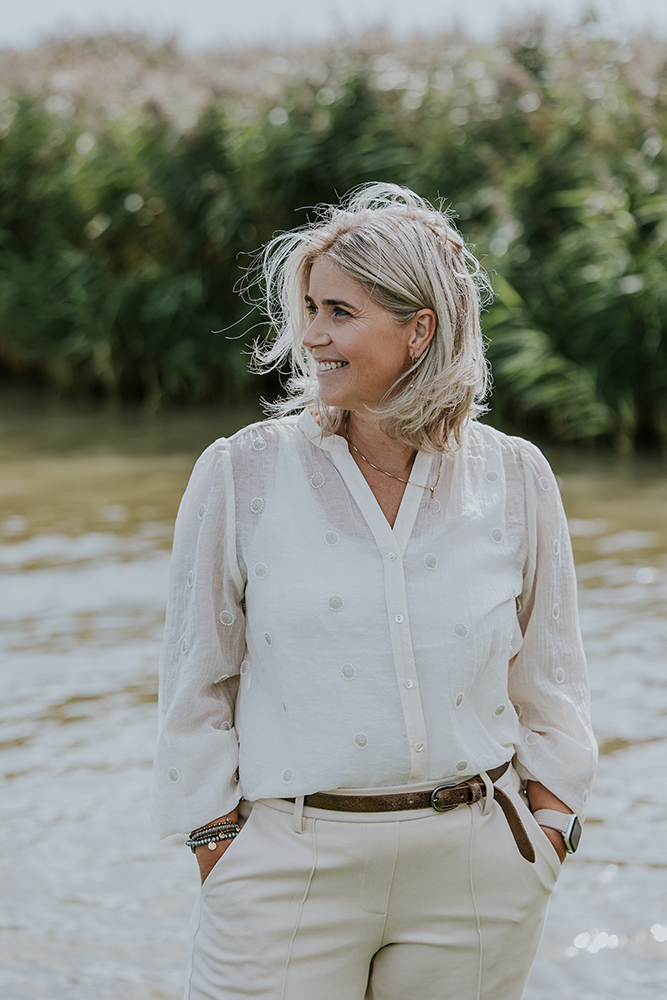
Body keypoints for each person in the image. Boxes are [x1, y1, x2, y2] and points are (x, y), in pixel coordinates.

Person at [150, 183, 597, 1000]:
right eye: (309, 309)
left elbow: (552, 675)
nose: (310, 336)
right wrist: (218, 838)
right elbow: (194, 677)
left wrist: (550, 824)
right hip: (286, 866)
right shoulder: (242, 470)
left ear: (418, 327)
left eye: (338, 313)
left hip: (475, 871)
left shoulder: (515, 475)